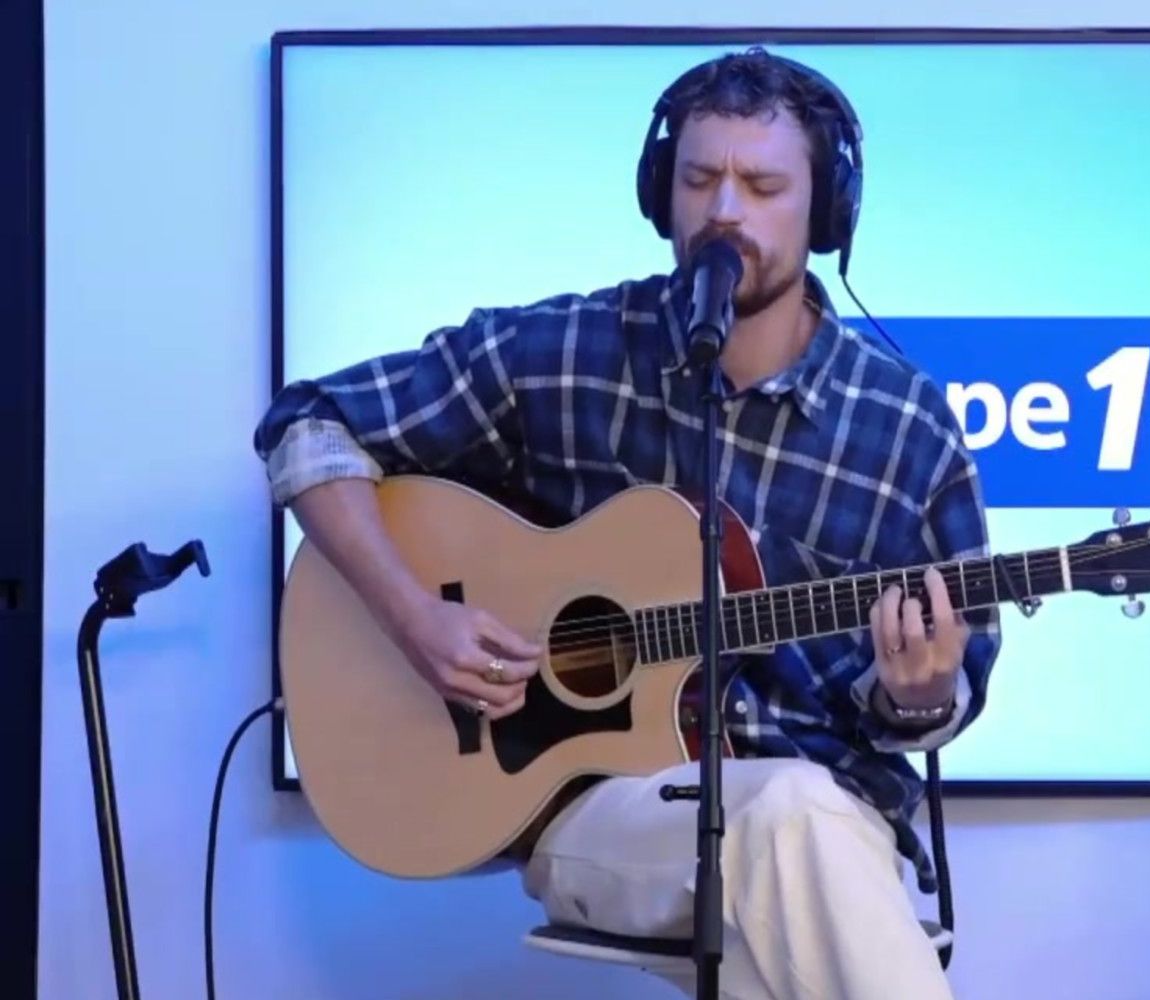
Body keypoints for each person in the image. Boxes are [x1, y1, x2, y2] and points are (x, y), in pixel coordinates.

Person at [253, 47, 998, 1000]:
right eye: (699, 179)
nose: (724, 210)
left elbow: (954, 677)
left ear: (827, 212)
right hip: (603, 814)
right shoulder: (569, 350)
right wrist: (412, 615)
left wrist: (919, 695)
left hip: (833, 828)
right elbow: (308, 425)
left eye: (763, 185)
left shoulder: (904, 425)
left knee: (794, 847)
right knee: (791, 818)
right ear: (661, 193)